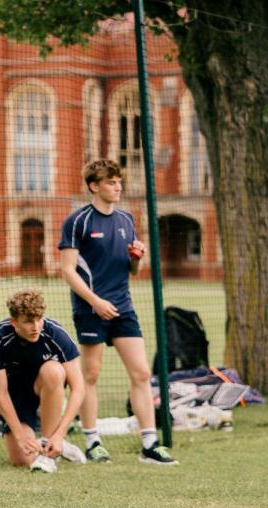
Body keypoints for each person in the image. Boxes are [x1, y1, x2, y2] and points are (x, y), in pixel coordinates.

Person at [58, 159, 177, 465]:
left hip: (123, 307)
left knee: (140, 373)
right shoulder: (78, 221)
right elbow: (68, 271)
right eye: (111, 182)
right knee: (91, 375)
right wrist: (95, 301)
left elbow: (133, 270)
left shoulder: (126, 219)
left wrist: (138, 257)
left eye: (119, 181)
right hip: (90, 309)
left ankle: (150, 444)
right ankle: (93, 441)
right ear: (94, 186)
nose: (118, 186)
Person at [0, 289, 87, 473]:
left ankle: (50, 449)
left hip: (45, 387)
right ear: (14, 322)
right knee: (22, 459)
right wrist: (19, 435)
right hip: (16, 397)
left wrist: (60, 432)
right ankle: (60, 446)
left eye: (39, 319)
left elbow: (79, 388)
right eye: (28, 321)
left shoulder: (55, 334)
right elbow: (0, 394)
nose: (36, 327)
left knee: (54, 371)